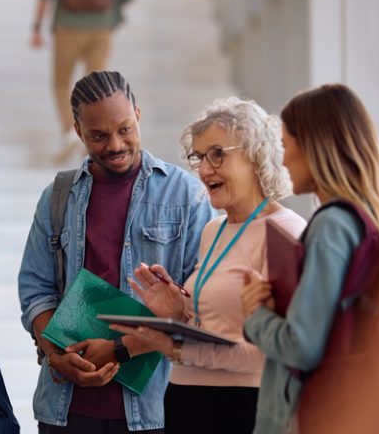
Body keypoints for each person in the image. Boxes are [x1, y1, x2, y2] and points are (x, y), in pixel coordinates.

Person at [18, 70, 216, 433]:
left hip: (155, 409)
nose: (115, 144)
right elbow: (35, 291)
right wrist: (56, 356)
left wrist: (121, 349)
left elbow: (202, 305)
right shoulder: (58, 197)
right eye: (98, 135)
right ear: (78, 132)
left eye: (125, 129)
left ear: (138, 115)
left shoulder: (186, 196)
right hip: (66, 409)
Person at [108, 98, 307, 433]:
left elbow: (274, 352)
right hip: (186, 401)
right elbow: (219, 322)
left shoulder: (286, 232)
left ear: (256, 154)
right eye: (199, 157)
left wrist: (178, 348)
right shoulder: (213, 229)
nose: (203, 169)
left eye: (217, 154)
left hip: (243, 408)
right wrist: (178, 310)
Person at [240, 84, 379, 434]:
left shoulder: (332, 225)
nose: (282, 159)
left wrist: (256, 318)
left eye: (286, 145)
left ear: (315, 146)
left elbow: (302, 346)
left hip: (306, 416)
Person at [31, 0, 133, 163]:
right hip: (102, 27)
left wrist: (37, 27)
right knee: (96, 86)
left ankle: (71, 129)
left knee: (61, 83)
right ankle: (94, 135)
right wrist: (111, 11)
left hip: (67, 26)